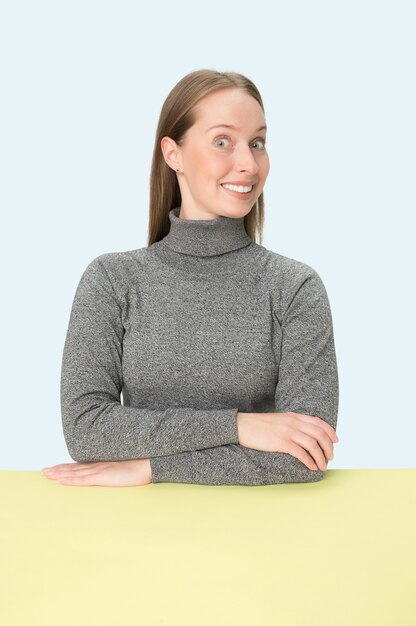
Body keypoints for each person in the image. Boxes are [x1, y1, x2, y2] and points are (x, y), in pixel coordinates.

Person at [42, 69, 339, 488]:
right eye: (223, 141)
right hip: (131, 537)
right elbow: (87, 429)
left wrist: (149, 468)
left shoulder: (294, 288)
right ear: (173, 153)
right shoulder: (112, 280)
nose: (248, 164)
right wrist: (240, 427)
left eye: (258, 143)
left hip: (264, 536)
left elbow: (307, 456)